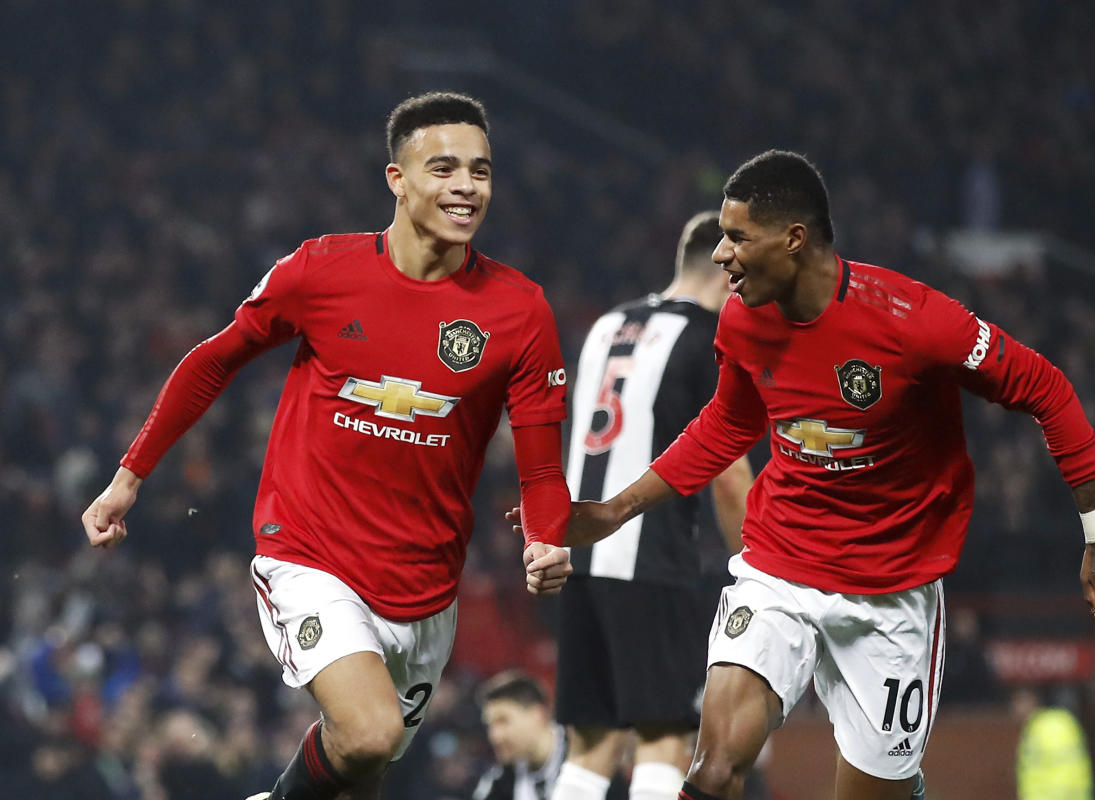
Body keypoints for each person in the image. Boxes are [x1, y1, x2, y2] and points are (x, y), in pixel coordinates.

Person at [511, 150, 1095, 800]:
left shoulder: (914, 322)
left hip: (893, 591)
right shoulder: (742, 318)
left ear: (794, 239)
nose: (722, 254)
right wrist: (616, 510)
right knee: (715, 766)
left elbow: (1048, 389)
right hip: (781, 567)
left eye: (737, 238)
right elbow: (726, 425)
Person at [80, 92, 575, 800]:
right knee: (370, 733)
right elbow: (215, 359)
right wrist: (130, 475)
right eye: (443, 168)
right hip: (311, 553)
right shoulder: (322, 272)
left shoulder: (519, 309)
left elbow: (539, 451)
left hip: (427, 585)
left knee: (362, 769)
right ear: (396, 179)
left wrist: (548, 536)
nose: (467, 185)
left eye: (481, 170)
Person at [552, 212, 754, 800]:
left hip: (580, 557)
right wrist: (756, 568)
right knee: (665, 736)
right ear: (726, 271)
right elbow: (727, 468)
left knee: (591, 744)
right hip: (651, 558)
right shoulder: (708, 337)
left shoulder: (607, 325)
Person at [474, 670, 625, 800]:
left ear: (537, 714)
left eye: (503, 721)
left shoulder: (587, 759)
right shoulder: (501, 781)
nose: (495, 736)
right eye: (490, 725)